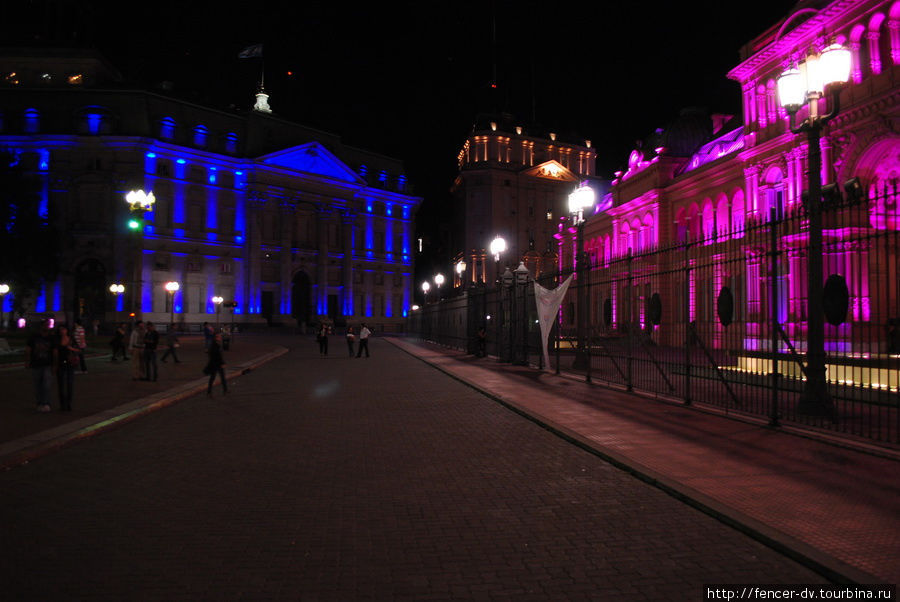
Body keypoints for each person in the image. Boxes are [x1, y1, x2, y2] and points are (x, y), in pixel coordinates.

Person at [25, 319, 56, 413]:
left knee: (46, 385)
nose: (47, 327)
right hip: (36, 364)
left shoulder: (51, 338)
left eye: (48, 325)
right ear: (41, 326)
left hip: (47, 364)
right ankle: (39, 403)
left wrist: (55, 364)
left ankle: (46, 403)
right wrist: (27, 361)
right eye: (45, 325)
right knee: (38, 385)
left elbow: (55, 351)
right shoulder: (34, 337)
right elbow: (28, 349)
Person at [56, 325, 79, 411]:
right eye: (60, 329)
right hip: (61, 363)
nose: (62, 331)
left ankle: (69, 403)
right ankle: (62, 404)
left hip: (70, 364)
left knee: (70, 384)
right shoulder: (57, 340)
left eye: (64, 329)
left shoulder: (71, 340)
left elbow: (78, 350)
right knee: (61, 385)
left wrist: (71, 348)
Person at [205, 331, 227, 396]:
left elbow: (219, 355)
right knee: (213, 378)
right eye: (219, 336)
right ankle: (209, 391)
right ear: (215, 338)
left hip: (217, 364)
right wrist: (222, 363)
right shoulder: (214, 345)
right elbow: (216, 356)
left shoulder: (217, 344)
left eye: (220, 336)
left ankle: (225, 390)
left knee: (221, 377)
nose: (220, 337)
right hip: (216, 364)